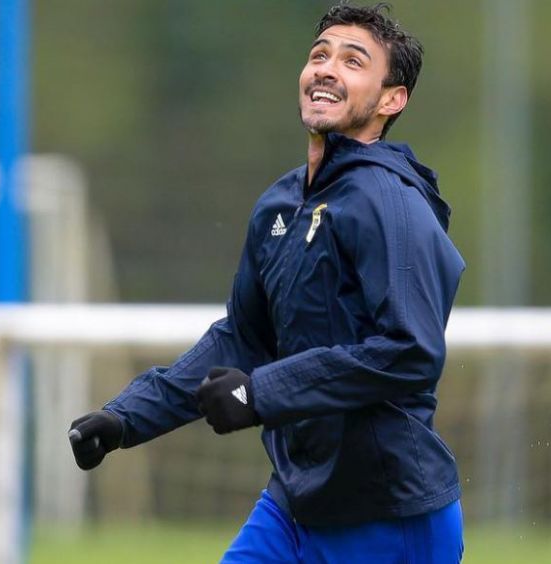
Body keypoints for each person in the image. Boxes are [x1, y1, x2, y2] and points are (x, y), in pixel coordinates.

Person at [68, 3, 466, 562]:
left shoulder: (391, 204)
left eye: (353, 61)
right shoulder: (280, 205)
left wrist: (261, 394)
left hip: (386, 514)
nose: (326, 68)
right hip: (295, 503)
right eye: (319, 55)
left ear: (390, 99)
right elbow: (242, 338)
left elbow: (409, 351)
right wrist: (125, 417)